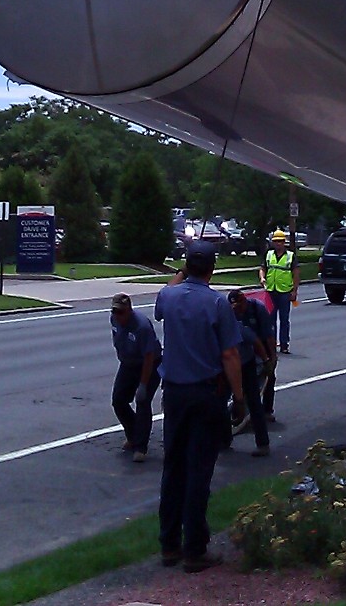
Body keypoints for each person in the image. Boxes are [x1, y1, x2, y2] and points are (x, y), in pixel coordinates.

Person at [154, 241, 245, 574]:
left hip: (174, 394)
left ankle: (169, 544)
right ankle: (194, 549)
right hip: (206, 394)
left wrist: (181, 271)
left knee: (173, 468)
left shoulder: (169, 296)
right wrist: (239, 396)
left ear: (187, 266)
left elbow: (167, 291)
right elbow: (230, 355)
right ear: (213, 268)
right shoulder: (218, 303)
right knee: (198, 472)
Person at [109, 293, 162, 463]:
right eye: (115, 311)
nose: (118, 316)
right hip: (128, 363)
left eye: (121, 312)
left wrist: (143, 384)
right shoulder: (114, 320)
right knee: (118, 400)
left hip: (149, 364)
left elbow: (149, 356)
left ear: (129, 310)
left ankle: (141, 446)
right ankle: (133, 434)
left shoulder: (141, 326)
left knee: (142, 402)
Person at [226, 289, 274, 457]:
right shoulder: (226, 324)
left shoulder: (251, 316)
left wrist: (269, 361)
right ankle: (224, 439)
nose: (237, 310)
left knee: (254, 401)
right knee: (221, 401)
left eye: (239, 306)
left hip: (247, 363)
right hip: (228, 366)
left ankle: (263, 443)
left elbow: (259, 342)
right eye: (233, 308)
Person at [259, 229, 298, 354]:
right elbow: (262, 268)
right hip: (271, 290)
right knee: (270, 320)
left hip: (285, 291)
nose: (278, 244)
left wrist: (294, 291)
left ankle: (284, 344)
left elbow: (296, 274)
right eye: (276, 241)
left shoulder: (290, 256)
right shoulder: (269, 254)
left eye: (280, 241)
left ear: (284, 242)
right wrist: (262, 277)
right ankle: (272, 343)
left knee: (284, 319)